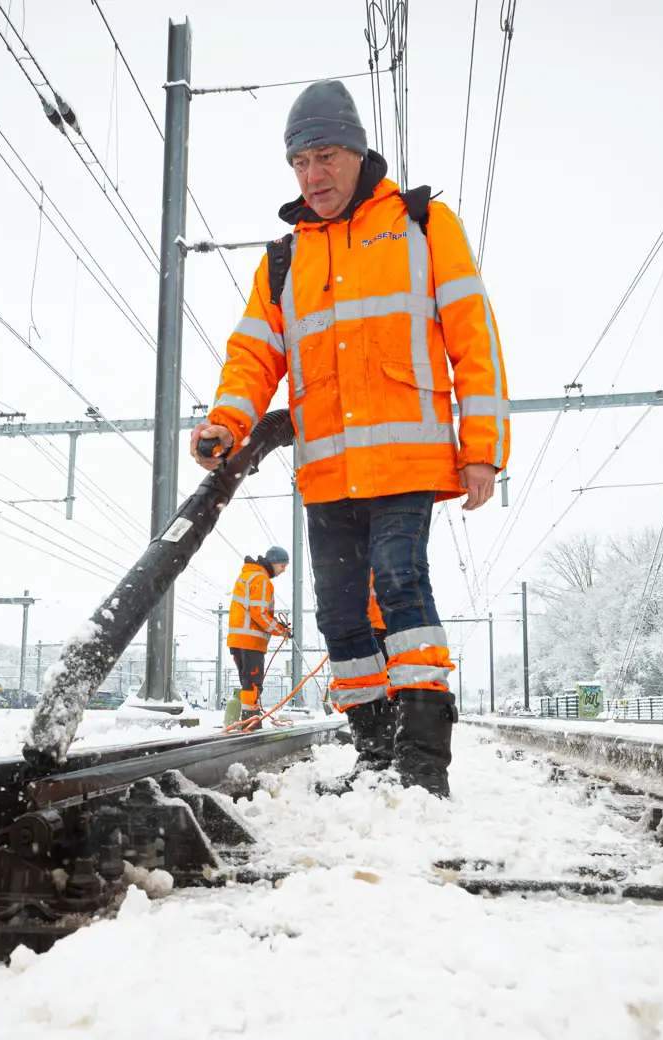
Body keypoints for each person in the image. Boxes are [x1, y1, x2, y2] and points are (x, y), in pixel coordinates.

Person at [191, 79, 509, 795]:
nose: (313, 176)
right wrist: (225, 420)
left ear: (357, 151)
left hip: (407, 456)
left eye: (325, 157)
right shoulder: (284, 258)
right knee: (337, 613)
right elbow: (253, 357)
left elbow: (473, 339)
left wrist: (481, 447)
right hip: (329, 469)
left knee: (399, 581)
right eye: (299, 163)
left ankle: (424, 765)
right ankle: (375, 756)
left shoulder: (425, 225)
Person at [227, 546, 292, 728]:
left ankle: (249, 719)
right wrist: (281, 630)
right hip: (251, 641)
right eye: (282, 566)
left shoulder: (248, 575)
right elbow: (260, 615)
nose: (283, 570)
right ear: (272, 563)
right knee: (253, 684)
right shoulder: (261, 579)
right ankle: (251, 722)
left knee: (247, 682)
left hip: (238, 639)